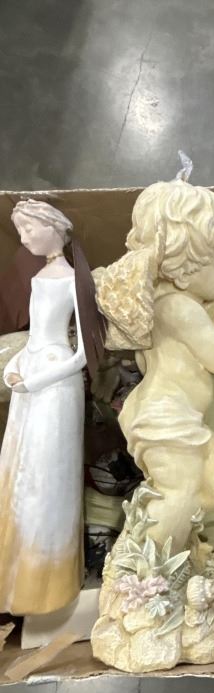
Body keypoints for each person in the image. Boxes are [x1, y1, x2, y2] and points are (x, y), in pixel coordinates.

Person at [0, 200, 105, 615]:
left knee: (49, 478)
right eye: (19, 232)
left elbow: (79, 355)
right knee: (19, 474)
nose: (24, 239)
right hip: (31, 374)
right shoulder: (40, 275)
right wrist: (14, 365)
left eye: (29, 230)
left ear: (53, 228)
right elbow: (33, 338)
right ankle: (14, 578)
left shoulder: (72, 279)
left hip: (55, 382)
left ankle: (48, 581)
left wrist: (38, 380)